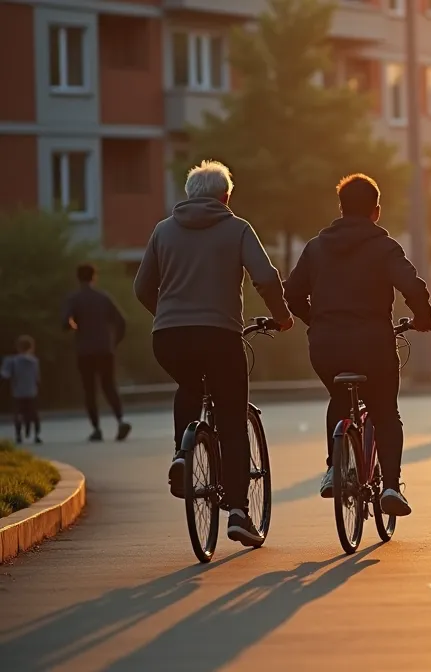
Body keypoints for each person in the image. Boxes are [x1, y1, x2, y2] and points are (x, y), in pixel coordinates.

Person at [133, 159, 293, 547]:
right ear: (225, 197)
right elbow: (266, 277)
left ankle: (180, 456)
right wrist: (282, 316)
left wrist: (168, 316)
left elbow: (142, 287)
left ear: (189, 195)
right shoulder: (237, 228)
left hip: (169, 338)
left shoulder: (162, 231)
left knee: (189, 383)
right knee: (232, 416)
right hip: (219, 336)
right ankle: (238, 512)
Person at [284, 173, 431, 514]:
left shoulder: (316, 247)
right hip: (373, 346)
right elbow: (412, 286)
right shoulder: (384, 247)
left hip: (326, 347)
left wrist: (316, 321)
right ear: (376, 211)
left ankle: (332, 469)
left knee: (338, 397)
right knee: (385, 411)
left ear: (340, 208)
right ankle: (392, 488)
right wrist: (423, 318)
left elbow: (291, 293)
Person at [62, 263, 131, 442]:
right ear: (94, 277)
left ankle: (96, 429)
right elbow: (121, 321)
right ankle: (121, 420)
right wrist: (114, 342)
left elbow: (65, 321)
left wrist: (74, 327)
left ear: (78, 278)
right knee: (109, 385)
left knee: (89, 389)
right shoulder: (103, 297)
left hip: (84, 350)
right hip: (105, 349)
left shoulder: (74, 298)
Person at [2, 336, 41, 444]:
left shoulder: (12, 361)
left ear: (18, 347)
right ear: (32, 347)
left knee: (18, 414)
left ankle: (19, 435)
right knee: (34, 414)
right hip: (32, 392)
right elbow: (37, 378)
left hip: (17, 393)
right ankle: (36, 436)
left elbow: (5, 375)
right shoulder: (34, 361)